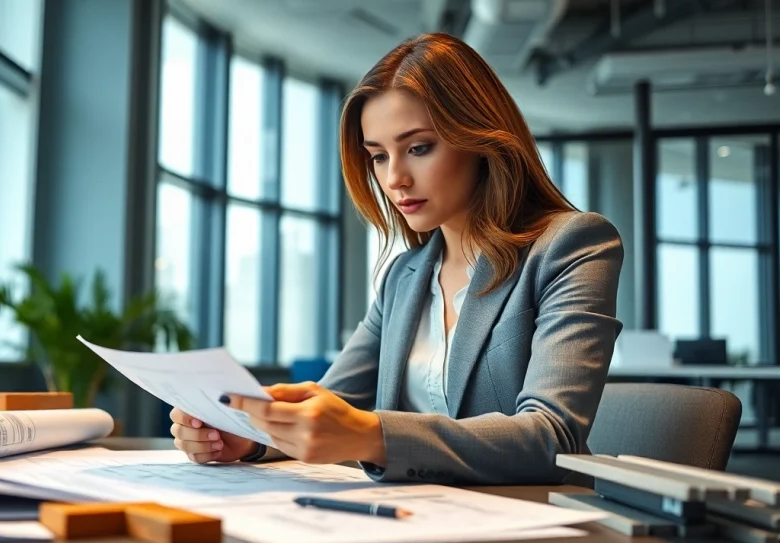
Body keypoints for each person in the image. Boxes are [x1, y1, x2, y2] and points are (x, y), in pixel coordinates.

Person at [169, 32, 624, 485]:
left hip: (536, 534)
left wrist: (372, 434)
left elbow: (553, 437)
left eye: (419, 148)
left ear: (480, 138)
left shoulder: (572, 245)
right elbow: (330, 409)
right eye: (379, 156)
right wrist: (251, 436)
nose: (395, 178)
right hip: (416, 526)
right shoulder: (404, 278)